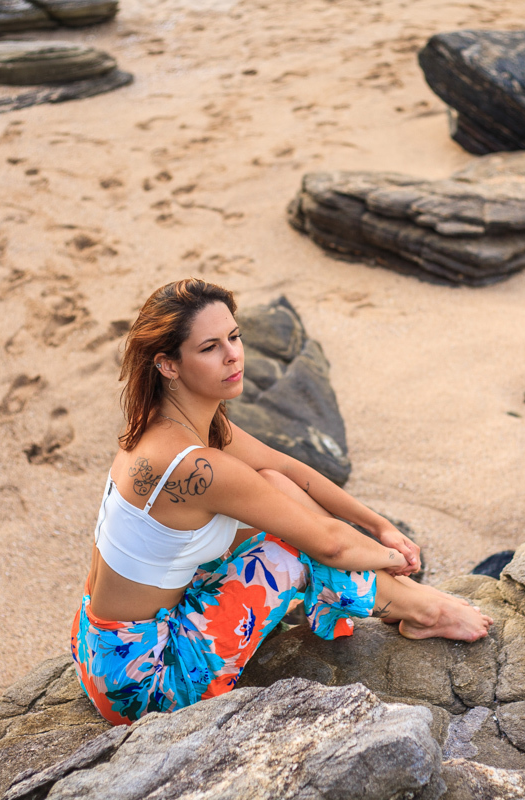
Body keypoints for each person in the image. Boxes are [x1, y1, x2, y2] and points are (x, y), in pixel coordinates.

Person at [71, 278, 493, 725]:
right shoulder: (195, 467)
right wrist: (394, 558)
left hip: (97, 648)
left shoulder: (168, 424)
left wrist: (379, 525)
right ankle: (422, 607)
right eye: (210, 347)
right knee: (291, 547)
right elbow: (328, 544)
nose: (234, 355)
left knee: (272, 484)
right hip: (142, 683)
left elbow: (287, 469)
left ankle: (406, 598)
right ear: (168, 365)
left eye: (234, 336)